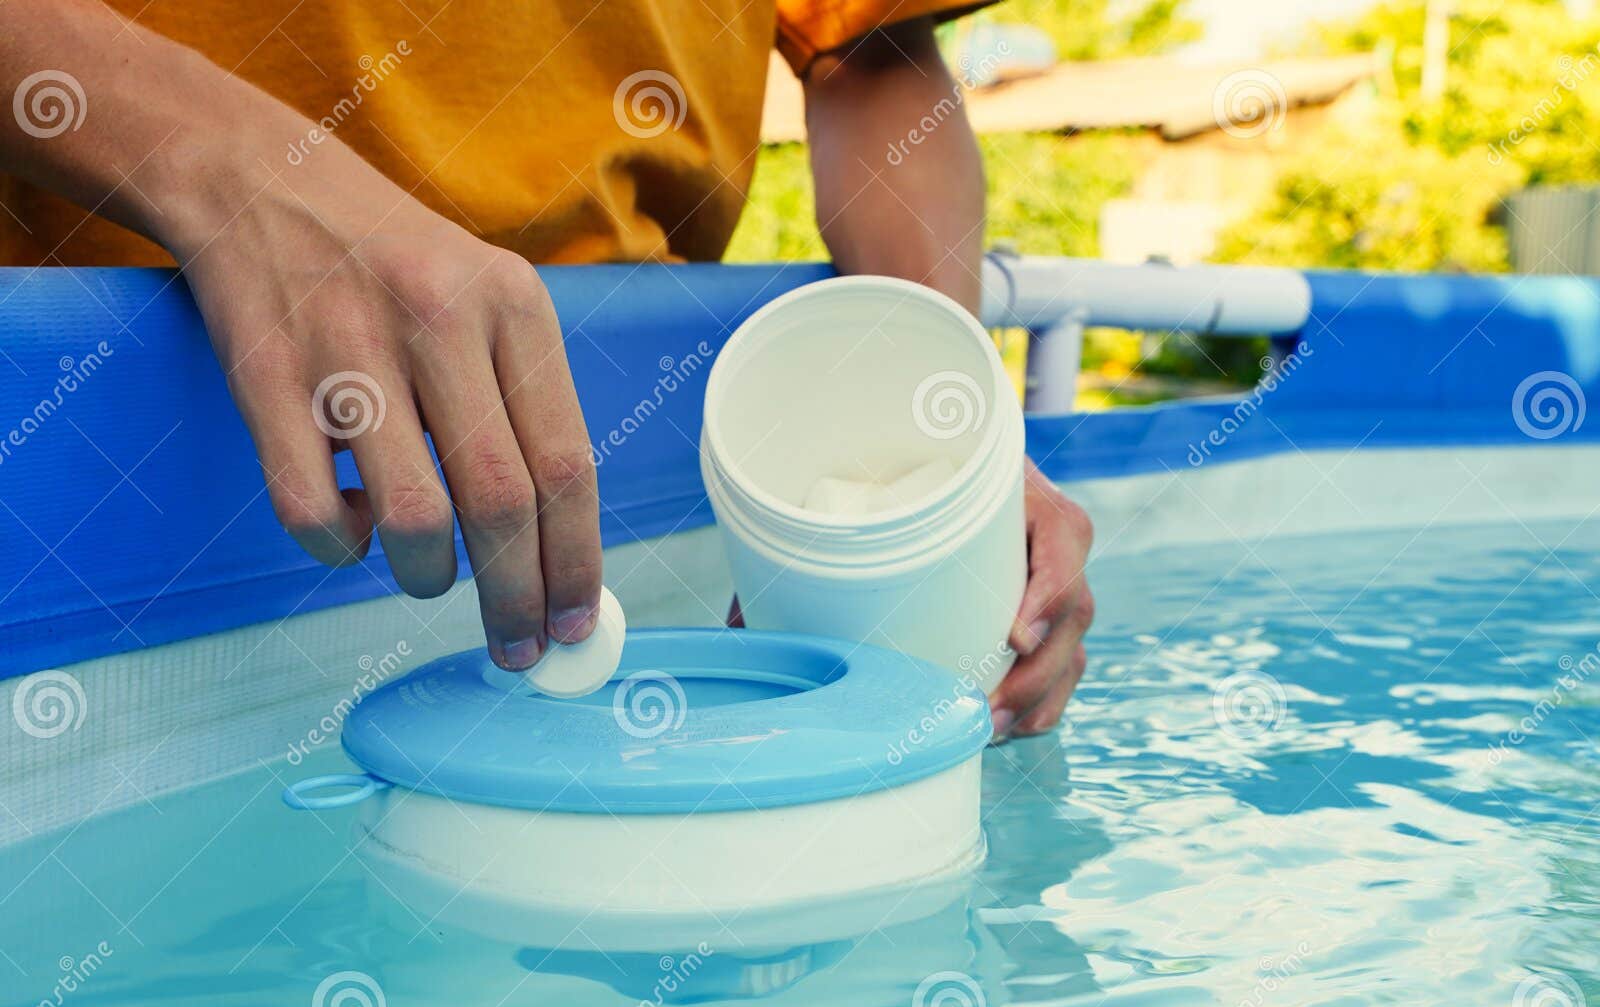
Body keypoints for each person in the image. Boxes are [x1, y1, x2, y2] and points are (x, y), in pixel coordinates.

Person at [0, 0, 1092, 739]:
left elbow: (868, 48)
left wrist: (949, 444)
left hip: (634, 468)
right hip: (95, 438)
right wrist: (224, 161)